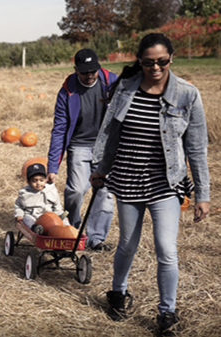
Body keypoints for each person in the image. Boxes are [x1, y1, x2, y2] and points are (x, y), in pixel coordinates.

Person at [89, 33, 210, 336]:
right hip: (128, 178)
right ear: (139, 61)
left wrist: (202, 194)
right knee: (127, 244)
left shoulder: (187, 94)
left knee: (166, 250)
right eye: (148, 62)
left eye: (162, 61)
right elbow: (110, 134)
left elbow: (196, 148)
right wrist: (100, 169)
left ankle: (167, 313)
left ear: (172, 58)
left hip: (165, 183)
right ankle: (118, 293)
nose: (155, 67)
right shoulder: (125, 89)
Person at [47, 48, 118, 251]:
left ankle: (96, 239)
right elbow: (59, 129)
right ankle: (71, 231)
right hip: (79, 144)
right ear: (76, 69)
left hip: (105, 146)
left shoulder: (111, 82)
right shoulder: (67, 90)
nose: (89, 76)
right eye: (84, 72)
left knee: (103, 193)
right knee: (76, 190)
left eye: (92, 71)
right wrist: (53, 166)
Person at [14, 163, 69, 235]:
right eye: (34, 180)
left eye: (41, 180)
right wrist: (19, 215)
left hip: (50, 217)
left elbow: (57, 206)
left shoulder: (51, 190)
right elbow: (18, 206)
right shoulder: (24, 193)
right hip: (34, 218)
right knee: (27, 218)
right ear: (29, 182)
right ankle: (36, 229)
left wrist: (61, 216)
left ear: (45, 180)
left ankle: (70, 231)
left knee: (64, 220)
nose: (38, 183)